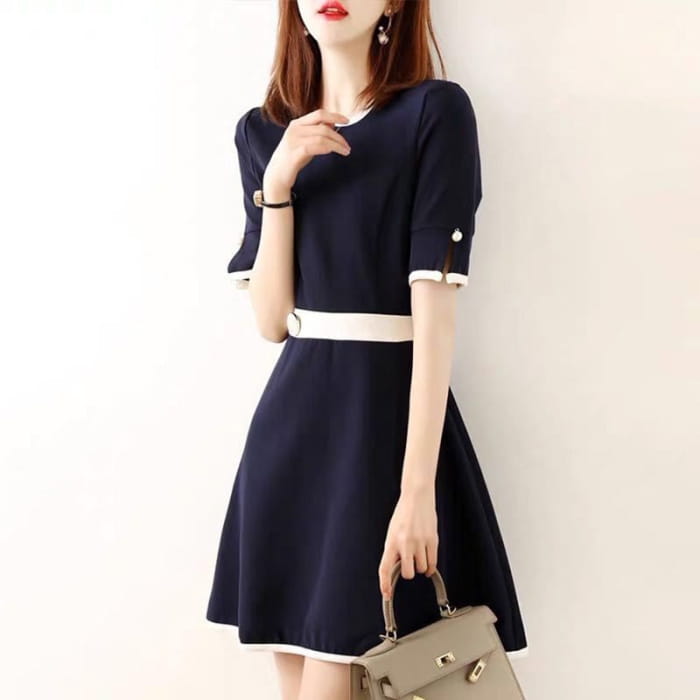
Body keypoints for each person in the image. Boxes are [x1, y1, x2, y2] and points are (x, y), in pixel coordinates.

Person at [206, 1, 528, 698]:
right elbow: (271, 320)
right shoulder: (262, 133)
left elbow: (435, 323)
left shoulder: (434, 114)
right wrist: (277, 185)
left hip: (383, 438)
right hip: (291, 443)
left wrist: (416, 494)